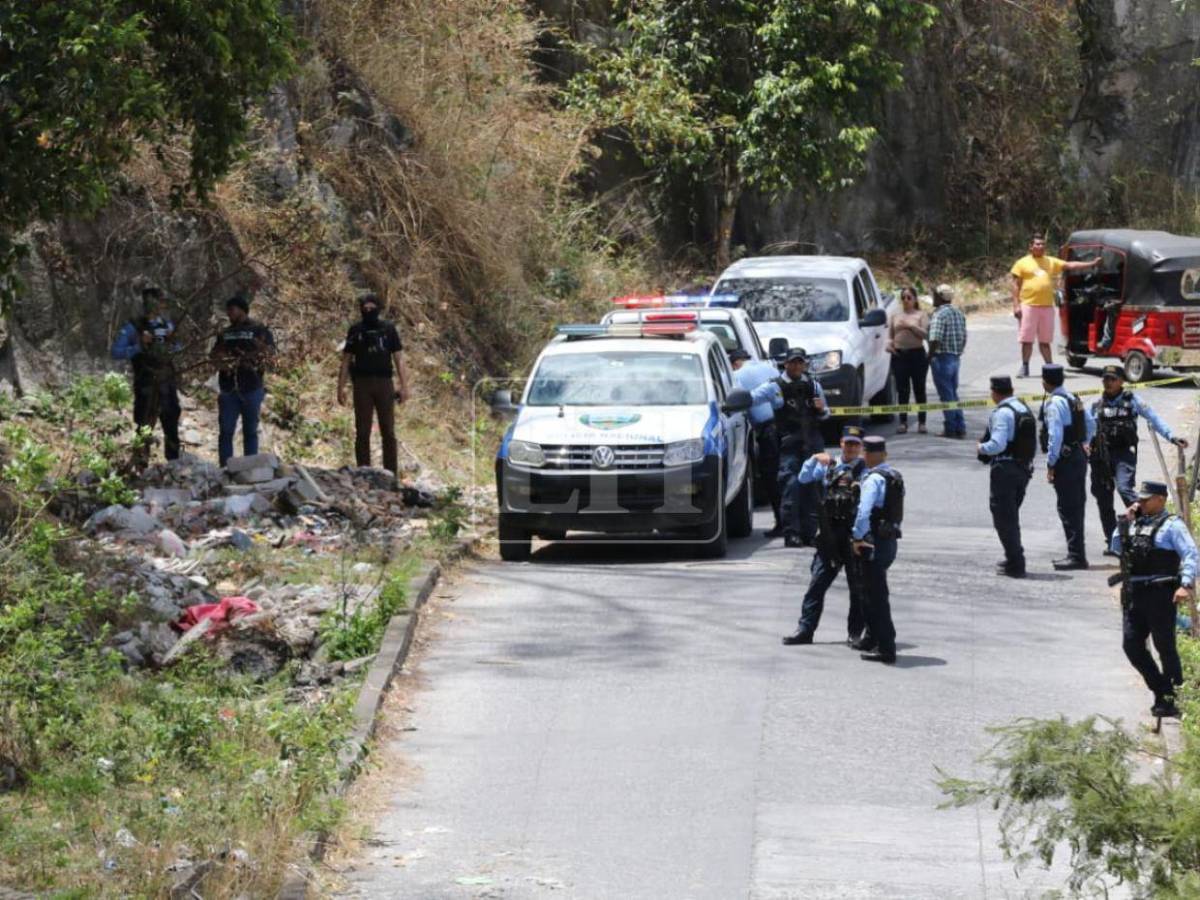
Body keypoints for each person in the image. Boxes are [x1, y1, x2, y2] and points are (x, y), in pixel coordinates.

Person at [1110, 481, 1198, 719]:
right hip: (1135, 594)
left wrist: (1186, 584)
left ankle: (1170, 698)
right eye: (1140, 499)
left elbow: (1191, 554)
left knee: (1165, 647)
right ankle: (1161, 688)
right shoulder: (1135, 523)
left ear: (1160, 499)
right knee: (1131, 646)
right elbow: (1116, 546)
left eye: (1146, 499)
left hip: (1160, 594)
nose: (1141, 503)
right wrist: (1125, 521)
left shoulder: (1172, 526)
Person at [782, 426, 870, 647]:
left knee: (857, 587)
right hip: (829, 534)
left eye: (855, 445)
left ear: (861, 448)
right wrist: (813, 458)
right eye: (847, 443)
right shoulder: (827, 466)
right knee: (816, 584)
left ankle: (855, 633)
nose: (850, 448)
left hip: (853, 536)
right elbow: (803, 478)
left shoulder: (865, 471)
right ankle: (805, 630)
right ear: (841, 443)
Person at [1090, 365, 1188, 553]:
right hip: (1101, 456)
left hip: (1123, 454)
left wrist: (1171, 437)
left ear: (1121, 381)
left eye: (1112, 379)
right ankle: (1114, 542)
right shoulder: (1097, 404)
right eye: (1105, 379)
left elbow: (1153, 417)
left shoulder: (1132, 400)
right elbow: (1086, 426)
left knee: (1125, 488)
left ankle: (1147, 529)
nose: (1108, 383)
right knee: (1103, 498)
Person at [750, 348, 829, 547]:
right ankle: (792, 533)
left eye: (799, 362)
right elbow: (751, 399)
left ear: (804, 364)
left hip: (812, 443)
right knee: (791, 487)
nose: (796, 366)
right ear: (785, 364)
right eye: (792, 362)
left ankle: (810, 533)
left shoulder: (813, 385)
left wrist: (821, 409)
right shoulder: (774, 387)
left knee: (813, 488)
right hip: (788, 445)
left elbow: (825, 414)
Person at [1011, 233, 1101, 377]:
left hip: (1046, 306)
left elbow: (1070, 265)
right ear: (1031, 246)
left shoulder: (1050, 261)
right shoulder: (1022, 263)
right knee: (1026, 340)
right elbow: (1015, 285)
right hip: (1028, 306)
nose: (1040, 246)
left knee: (1045, 340)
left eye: (1042, 244)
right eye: (1037, 244)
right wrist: (1016, 305)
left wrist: (1091, 263)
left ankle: (1049, 368)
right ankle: (1025, 366)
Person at [337, 294, 409, 475]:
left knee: (388, 431)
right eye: (365, 308)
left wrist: (404, 385)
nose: (368, 311)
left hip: (385, 383)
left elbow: (398, 358)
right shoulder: (356, 330)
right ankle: (364, 471)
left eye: (372, 308)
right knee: (362, 430)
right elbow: (346, 360)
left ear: (378, 308)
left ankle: (390, 473)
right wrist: (341, 386)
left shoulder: (388, 329)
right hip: (362, 384)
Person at [110, 286, 182, 462]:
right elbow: (116, 352)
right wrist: (138, 346)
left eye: (160, 301)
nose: (157, 305)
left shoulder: (167, 325)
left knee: (171, 421)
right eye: (154, 301)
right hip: (146, 381)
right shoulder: (133, 326)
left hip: (167, 380)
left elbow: (178, 348)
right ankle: (139, 463)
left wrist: (172, 342)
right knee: (144, 423)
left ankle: (173, 463)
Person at [977, 375, 1037, 578]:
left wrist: (981, 448)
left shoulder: (1003, 413)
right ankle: (1013, 557)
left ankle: (1016, 563)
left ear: (995, 392)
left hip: (1005, 470)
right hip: (1022, 469)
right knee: (1010, 516)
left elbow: (998, 444)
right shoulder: (1022, 407)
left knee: (1004, 518)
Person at [852, 436, 904, 664]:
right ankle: (872, 638)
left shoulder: (873, 479)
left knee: (876, 597)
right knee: (869, 592)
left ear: (869, 454)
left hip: (871, 542)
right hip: (889, 540)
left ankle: (886, 647)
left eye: (864, 452)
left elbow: (864, 513)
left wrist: (857, 537)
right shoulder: (894, 476)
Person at [1039, 363, 1096, 570]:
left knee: (1068, 507)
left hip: (1066, 460)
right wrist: (1084, 444)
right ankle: (1077, 553)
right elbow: (1091, 424)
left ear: (1045, 382)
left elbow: (1055, 436)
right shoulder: (1073, 398)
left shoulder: (1054, 403)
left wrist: (1051, 463)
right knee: (1076, 505)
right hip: (1078, 457)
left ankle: (1076, 556)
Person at [210, 293, 276, 467]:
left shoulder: (259, 330)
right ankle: (225, 468)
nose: (229, 313)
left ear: (242, 310)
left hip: (252, 387)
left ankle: (250, 469)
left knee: (250, 431)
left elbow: (271, 356)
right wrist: (222, 362)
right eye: (228, 310)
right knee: (226, 431)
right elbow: (213, 356)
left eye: (232, 310)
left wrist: (260, 349)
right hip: (228, 388)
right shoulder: (225, 333)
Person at [730, 348, 783, 537]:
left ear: (735, 363)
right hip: (786, 425)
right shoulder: (769, 367)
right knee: (787, 475)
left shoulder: (736, 375)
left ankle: (782, 522)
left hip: (768, 430)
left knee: (771, 477)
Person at [887, 286, 929, 434]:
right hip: (899, 355)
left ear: (915, 299)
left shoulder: (921, 315)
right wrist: (889, 344)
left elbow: (925, 335)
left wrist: (911, 326)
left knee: (919, 389)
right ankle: (903, 422)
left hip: (917, 354)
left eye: (909, 297)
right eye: (903, 297)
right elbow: (890, 335)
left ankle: (922, 422)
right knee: (902, 389)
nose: (906, 300)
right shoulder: (895, 315)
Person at [927, 284, 968, 438]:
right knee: (953, 393)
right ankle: (960, 427)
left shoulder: (939, 315)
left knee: (946, 395)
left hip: (942, 358)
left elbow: (935, 338)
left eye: (935, 295)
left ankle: (950, 428)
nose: (933, 297)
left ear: (940, 297)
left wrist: (929, 356)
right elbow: (964, 337)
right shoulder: (958, 313)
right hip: (955, 357)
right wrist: (957, 352)